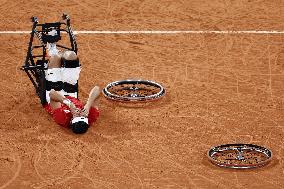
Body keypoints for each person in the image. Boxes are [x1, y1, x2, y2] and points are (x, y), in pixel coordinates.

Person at [43, 43, 100, 134]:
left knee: (55, 58)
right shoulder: (91, 116)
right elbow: (97, 89)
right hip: (71, 92)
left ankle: (52, 51)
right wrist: (88, 105)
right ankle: (59, 56)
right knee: (71, 55)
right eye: (82, 116)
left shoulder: (62, 119)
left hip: (56, 93)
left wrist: (70, 105)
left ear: (71, 121)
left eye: (76, 115)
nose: (79, 113)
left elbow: (52, 94)